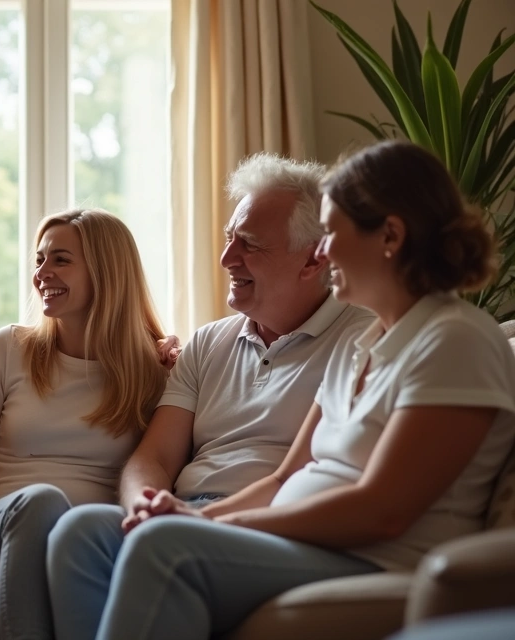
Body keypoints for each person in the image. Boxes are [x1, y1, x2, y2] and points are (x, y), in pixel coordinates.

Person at [66, 139, 515, 639]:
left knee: (166, 549)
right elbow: (283, 480)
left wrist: (211, 528)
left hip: (373, 557)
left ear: (389, 236)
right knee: (93, 533)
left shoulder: (454, 339)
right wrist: (191, 514)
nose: (322, 253)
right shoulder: (362, 345)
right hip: (307, 544)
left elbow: (383, 512)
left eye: (333, 232)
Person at [47, 153, 375, 639]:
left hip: (266, 520)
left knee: (160, 543)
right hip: (186, 510)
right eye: (228, 239)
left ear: (314, 258)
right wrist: (145, 504)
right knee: (78, 532)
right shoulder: (208, 342)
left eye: (251, 245)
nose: (226, 259)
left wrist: (192, 521)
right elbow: (153, 456)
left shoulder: (361, 339)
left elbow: (306, 474)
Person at [0, 209, 170, 639]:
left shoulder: (155, 369)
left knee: (68, 526)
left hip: (85, 542)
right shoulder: (11, 348)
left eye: (60, 259)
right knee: (42, 502)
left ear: (106, 271)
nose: (42, 272)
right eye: (40, 260)